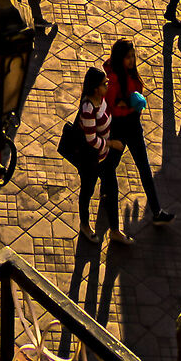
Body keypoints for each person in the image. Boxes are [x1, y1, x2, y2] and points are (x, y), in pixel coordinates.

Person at [106, 37, 173, 227]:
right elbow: (112, 105)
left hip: (133, 125)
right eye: (128, 57)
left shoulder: (129, 74)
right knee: (111, 164)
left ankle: (157, 211)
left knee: (144, 168)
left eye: (133, 56)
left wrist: (130, 103)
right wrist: (128, 103)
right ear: (120, 58)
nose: (132, 60)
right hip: (120, 126)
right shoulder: (114, 80)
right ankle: (104, 190)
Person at [71, 64, 124, 246]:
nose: (107, 85)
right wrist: (111, 144)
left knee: (112, 189)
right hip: (92, 160)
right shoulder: (88, 108)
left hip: (104, 157)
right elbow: (92, 140)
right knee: (87, 191)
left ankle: (115, 230)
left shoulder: (101, 99)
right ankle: (84, 225)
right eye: (104, 83)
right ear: (95, 88)